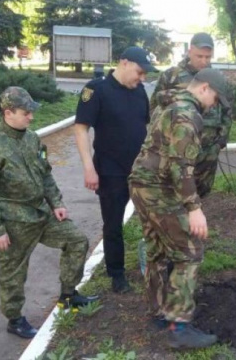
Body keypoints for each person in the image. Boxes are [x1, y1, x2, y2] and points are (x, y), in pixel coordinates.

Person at [129, 68, 230, 349]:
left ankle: (160, 312)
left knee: (158, 250)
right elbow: (180, 166)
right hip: (159, 190)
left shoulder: (171, 104)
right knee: (189, 252)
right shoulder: (188, 115)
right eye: (216, 99)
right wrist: (193, 208)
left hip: (141, 185)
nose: (214, 106)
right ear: (204, 88)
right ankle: (180, 327)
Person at [0, 87, 98, 339]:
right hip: (13, 221)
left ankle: (68, 295)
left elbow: (45, 173)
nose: (31, 117)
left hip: (42, 214)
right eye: (25, 113)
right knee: (12, 273)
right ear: (8, 113)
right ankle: (15, 319)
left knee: (76, 240)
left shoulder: (32, 138)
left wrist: (56, 203)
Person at [74, 46, 157, 293]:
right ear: (123, 62)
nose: (142, 78)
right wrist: (89, 168)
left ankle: (156, 266)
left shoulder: (140, 92)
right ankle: (117, 274)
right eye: (139, 72)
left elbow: (146, 128)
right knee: (113, 224)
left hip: (140, 170)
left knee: (154, 219)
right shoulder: (96, 90)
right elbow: (81, 129)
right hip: (110, 171)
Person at [150, 32, 232, 198]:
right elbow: (155, 108)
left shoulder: (217, 78)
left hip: (208, 149)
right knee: (176, 192)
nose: (204, 61)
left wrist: (220, 141)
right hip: (179, 148)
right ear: (190, 52)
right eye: (199, 56)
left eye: (208, 57)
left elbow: (227, 111)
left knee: (200, 194)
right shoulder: (171, 75)